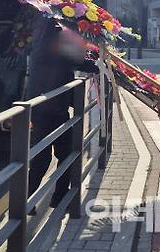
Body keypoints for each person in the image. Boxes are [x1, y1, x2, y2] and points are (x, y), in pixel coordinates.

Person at [27, 21, 98, 211]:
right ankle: (54, 199)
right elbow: (80, 62)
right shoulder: (56, 48)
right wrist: (99, 64)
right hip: (53, 110)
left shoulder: (40, 47)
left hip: (42, 108)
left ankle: (31, 201)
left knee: (43, 157)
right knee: (63, 155)